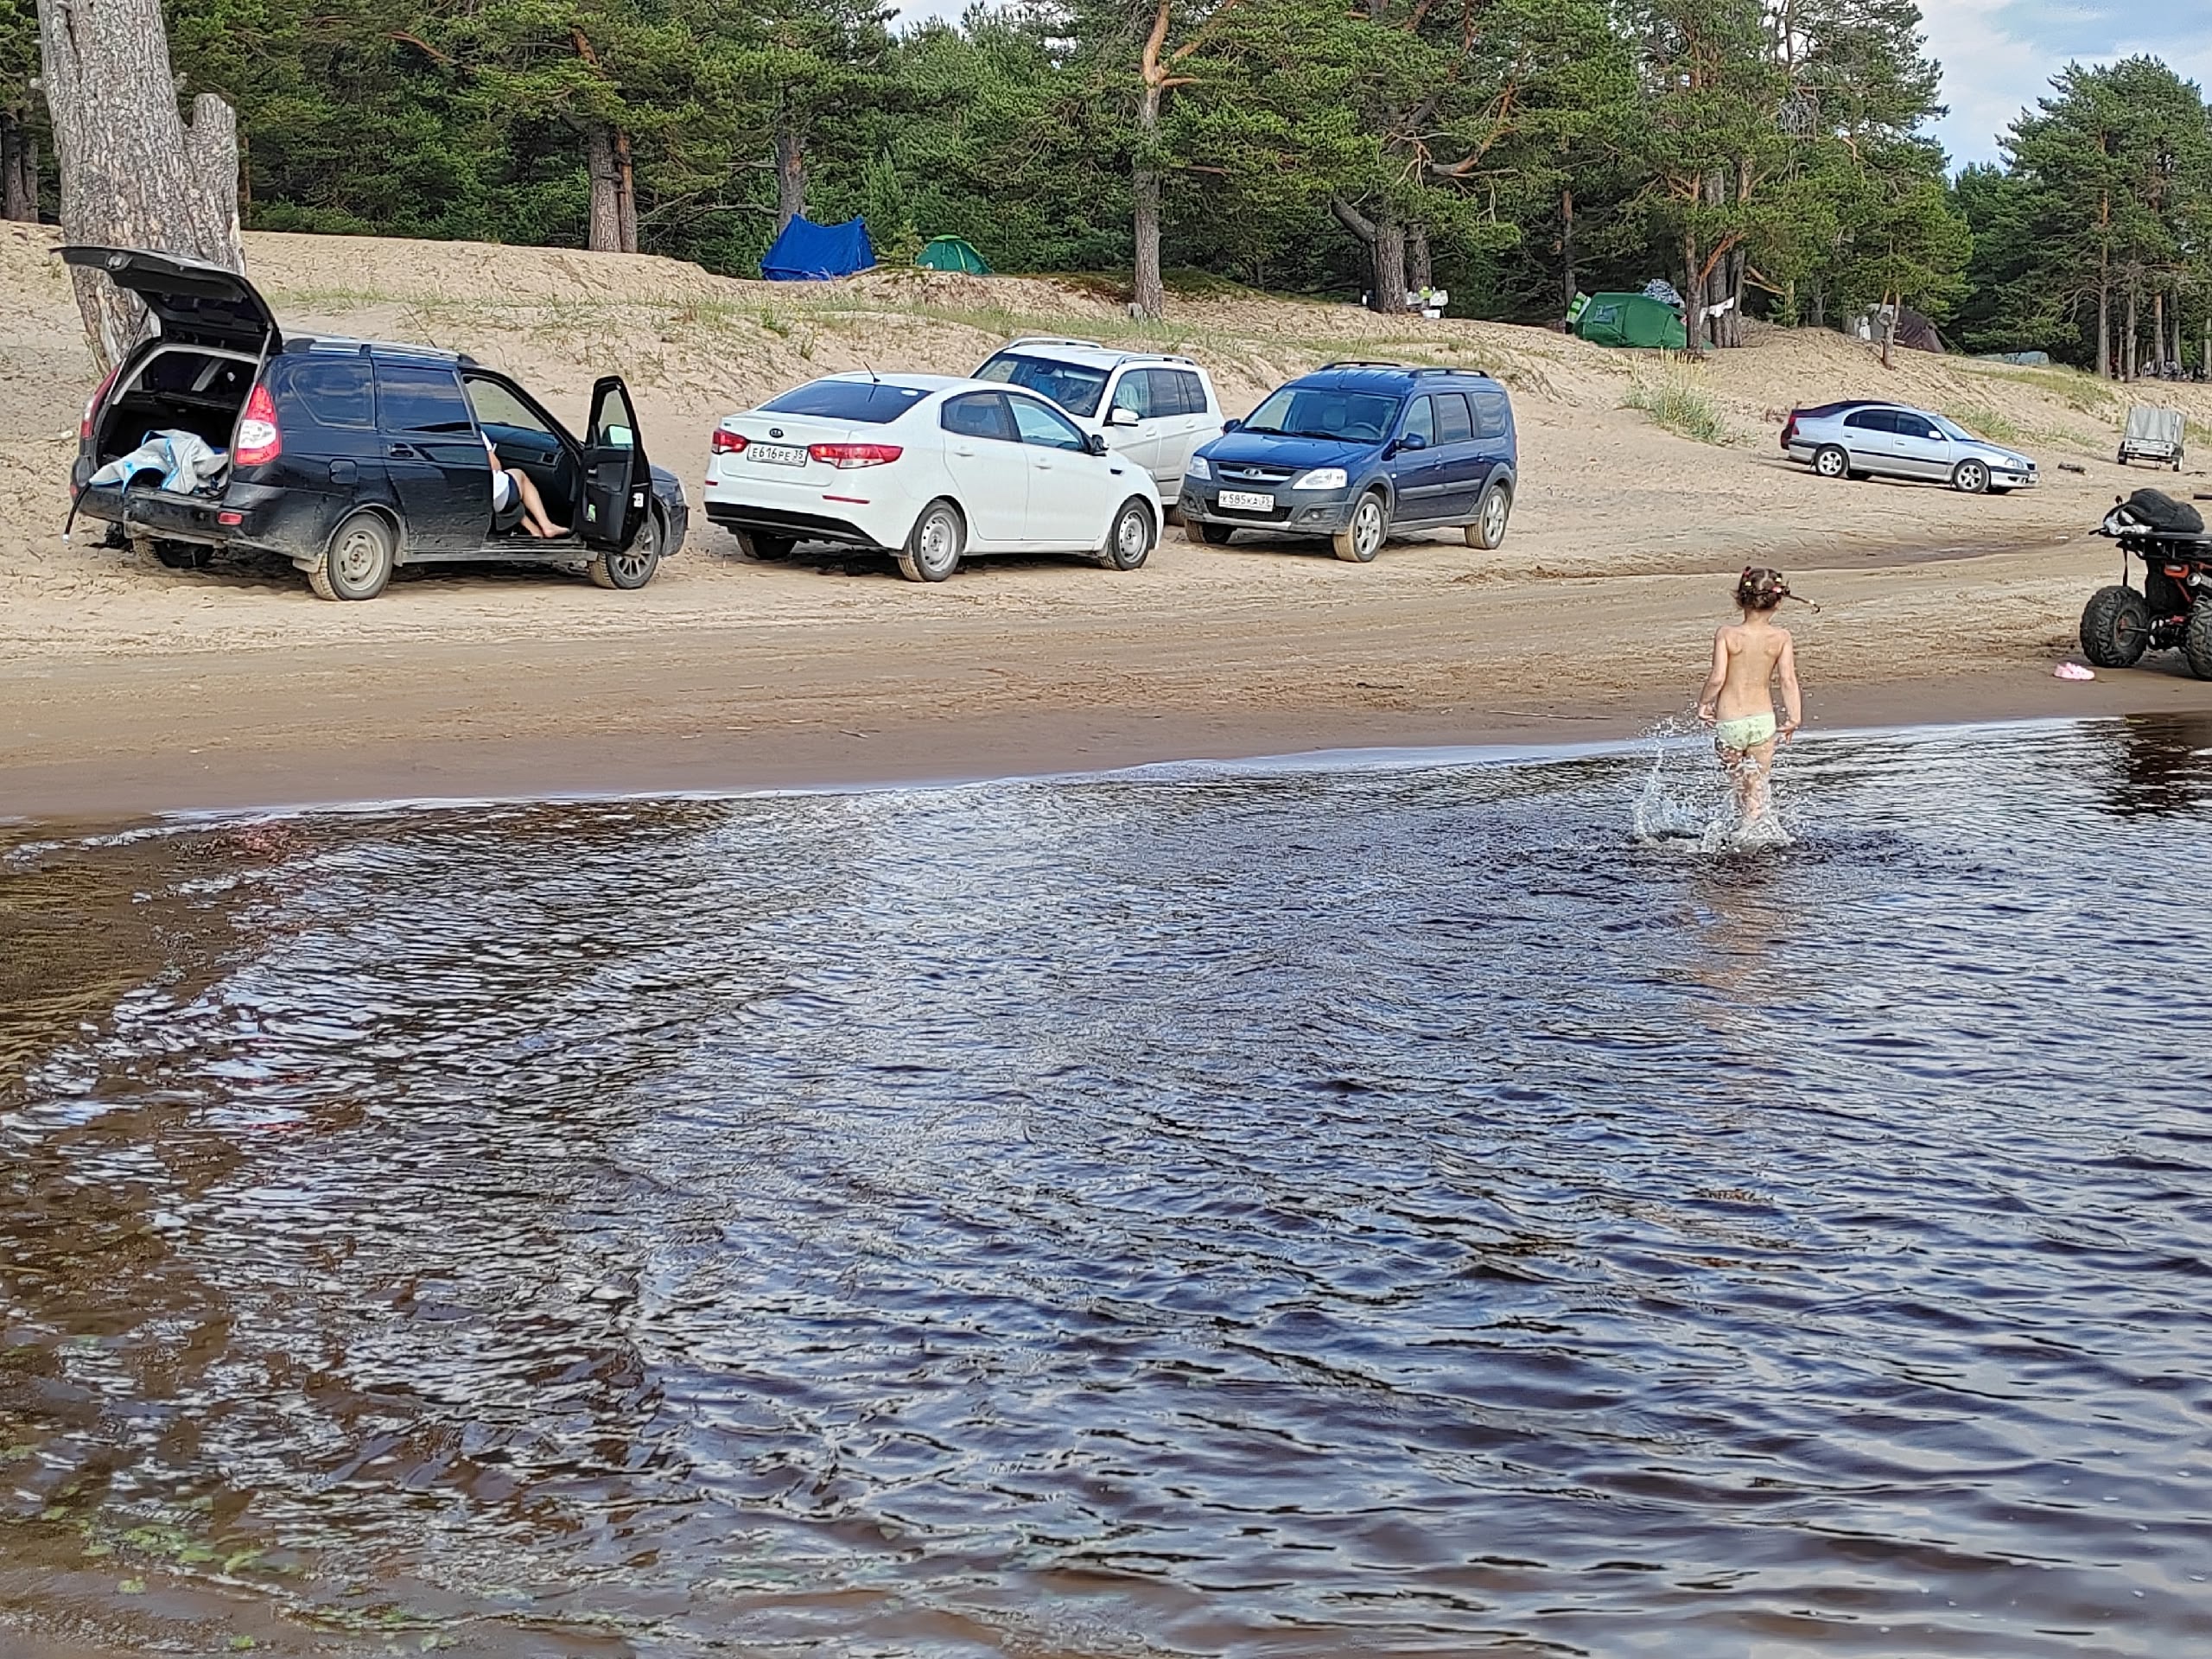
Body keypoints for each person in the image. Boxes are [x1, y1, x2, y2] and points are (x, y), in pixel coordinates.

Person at [1697, 566, 1804, 823]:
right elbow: (1788, 680)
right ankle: (1756, 832)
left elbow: (1717, 677)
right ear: (1778, 603)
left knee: (1739, 785)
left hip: (1730, 720)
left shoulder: (1727, 634)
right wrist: (1794, 717)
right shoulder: (1781, 637)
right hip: (1762, 720)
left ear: (1740, 599)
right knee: (1758, 787)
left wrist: (1704, 704)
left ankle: (1738, 836)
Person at [485, 433, 568, 539]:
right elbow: (495, 466)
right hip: (491, 495)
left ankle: (535, 531)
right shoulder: (472, 431)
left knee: (513, 490)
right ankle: (547, 525)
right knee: (518, 476)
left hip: (466, 495)